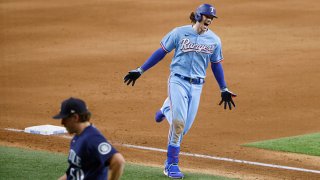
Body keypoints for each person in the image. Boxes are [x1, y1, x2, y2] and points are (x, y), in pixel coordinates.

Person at [124, 3, 236, 179]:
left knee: (183, 128)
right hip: (178, 81)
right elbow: (161, 52)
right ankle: (171, 164)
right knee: (178, 124)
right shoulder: (179, 32)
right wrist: (140, 70)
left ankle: (165, 109)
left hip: (197, 85)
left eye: (212, 18)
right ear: (198, 15)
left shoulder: (214, 40)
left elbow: (216, 65)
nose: (209, 20)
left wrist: (224, 88)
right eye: (207, 16)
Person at [53, 97, 125, 180]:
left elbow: (118, 161)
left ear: (75, 117)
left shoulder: (92, 138)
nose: (62, 123)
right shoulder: (77, 137)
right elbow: (73, 173)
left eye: (65, 119)